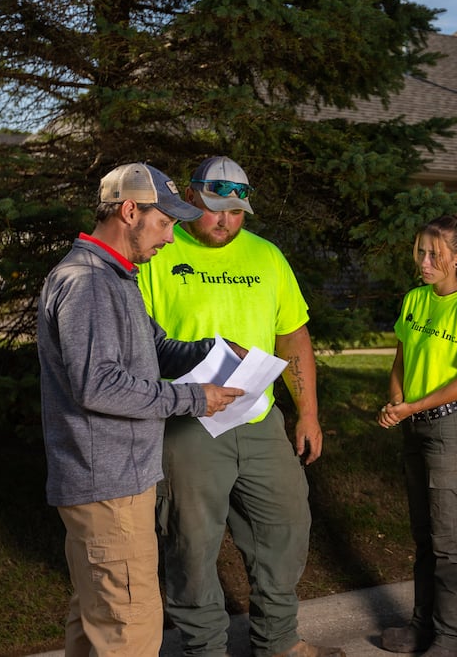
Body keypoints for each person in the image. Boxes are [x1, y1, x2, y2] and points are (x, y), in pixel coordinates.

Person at [37, 162, 247, 656]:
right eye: (166, 222)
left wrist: (212, 352)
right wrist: (196, 398)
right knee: (130, 633)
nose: (172, 237)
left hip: (111, 485)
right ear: (130, 211)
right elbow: (100, 386)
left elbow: (154, 351)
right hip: (107, 486)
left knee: (97, 627)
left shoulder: (117, 277)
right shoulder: (89, 283)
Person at [137, 156, 341, 657]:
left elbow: (293, 336)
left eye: (235, 211)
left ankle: (277, 642)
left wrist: (308, 413)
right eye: (213, 209)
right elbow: (138, 343)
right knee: (191, 544)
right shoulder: (159, 251)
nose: (225, 221)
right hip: (188, 422)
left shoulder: (267, 257)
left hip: (257, 419)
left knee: (286, 527)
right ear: (191, 197)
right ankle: (204, 648)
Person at [377, 214, 457, 657]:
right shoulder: (414, 300)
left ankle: (451, 639)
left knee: (449, 541)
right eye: (420, 253)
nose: (424, 262)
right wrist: (396, 402)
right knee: (424, 537)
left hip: (449, 431)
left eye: (434, 255)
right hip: (414, 428)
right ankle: (422, 628)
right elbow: (401, 361)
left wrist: (414, 406)